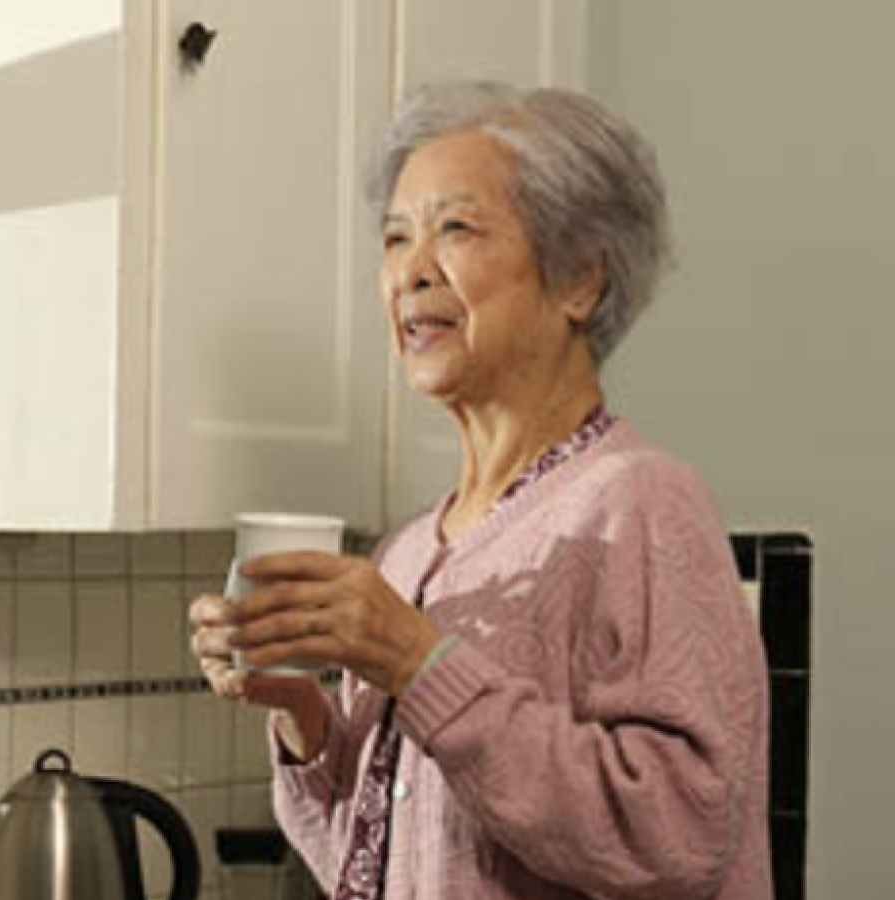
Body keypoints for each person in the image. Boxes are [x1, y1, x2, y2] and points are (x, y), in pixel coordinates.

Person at [189, 80, 771, 900]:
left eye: (454, 230)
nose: (409, 274)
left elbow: (678, 837)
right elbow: (368, 865)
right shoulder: (411, 548)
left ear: (580, 281)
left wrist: (418, 664)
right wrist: (298, 710)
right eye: (394, 240)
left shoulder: (641, 506)